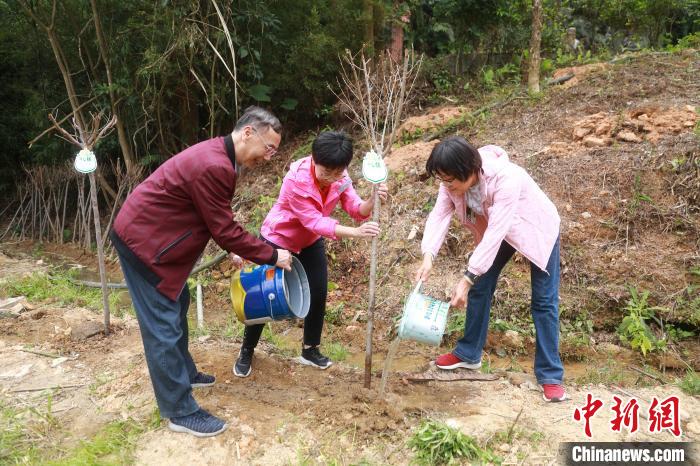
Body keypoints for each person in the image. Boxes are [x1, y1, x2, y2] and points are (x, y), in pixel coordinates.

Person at [110, 106, 293, 437]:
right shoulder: (213, 165)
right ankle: (179, 410)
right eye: (269, 149)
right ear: (248, 132)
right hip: (144, 245)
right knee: (163, 326)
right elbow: (223, 229)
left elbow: (214, 218)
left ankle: (184, 372)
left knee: (177, 306)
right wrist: (271, 255)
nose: (269, 157)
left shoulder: (220, 160)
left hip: (159, 241)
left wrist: (235, 247)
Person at [414, 136, 566, 402]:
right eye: (443, 180)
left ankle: (550, 375)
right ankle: (468, 353)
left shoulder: (507, 178)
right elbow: (438, 216)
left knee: (543, 300)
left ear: (469, 170)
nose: (446, 185)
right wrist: (428, 255)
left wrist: (467, 277)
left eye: (450, 180)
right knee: (481, 286)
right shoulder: (450, 183)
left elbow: (496, 232)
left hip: (535, 227)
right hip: (500, 230)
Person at [233, 131, 387, 377]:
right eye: (326, 172)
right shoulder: (296, 179)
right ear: (313, 160)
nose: (331, 179)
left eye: (337, 173)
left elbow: (355, 208)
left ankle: (310, 350)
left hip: (309, 242)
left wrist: (372, 200)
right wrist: (355, 233)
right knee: (265, 296)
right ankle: (247, 350)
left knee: (318, 292)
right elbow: (313, 221)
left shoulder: (340, 175)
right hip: (279, 239)